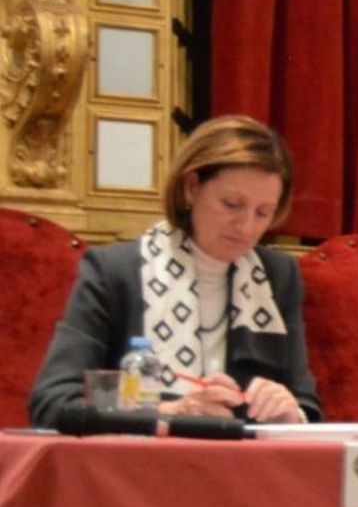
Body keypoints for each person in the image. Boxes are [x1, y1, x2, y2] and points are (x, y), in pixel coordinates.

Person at [29, 114, 321, 428]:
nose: (247, 226)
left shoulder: (278, 275)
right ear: (191, 187)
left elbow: (305, 403)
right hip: (139, 457)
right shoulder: (115, 272)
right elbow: (54, 400)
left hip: (242, 456)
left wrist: (291, 413)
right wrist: (170, 411)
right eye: (231, 204)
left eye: (263, 213)